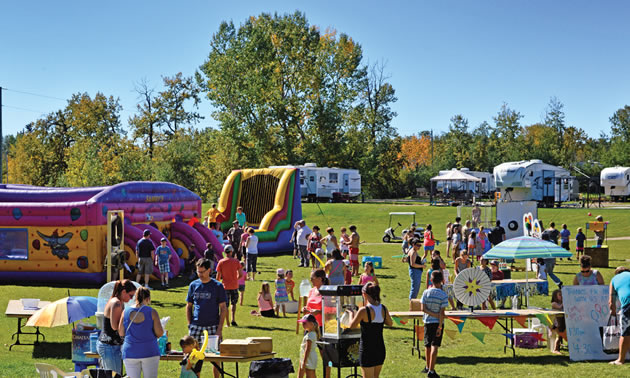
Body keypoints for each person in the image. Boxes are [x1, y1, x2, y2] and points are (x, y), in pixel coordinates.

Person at [186, 258, 227, 378]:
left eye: (202, 272)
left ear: (209, 270)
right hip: (196, 326)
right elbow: (189, 306)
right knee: (194, 357)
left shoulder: (217, 286)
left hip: (213, 326)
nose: (200, 274)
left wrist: (219, 329)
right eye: (198, 272)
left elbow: (223, 308)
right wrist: (190, 324)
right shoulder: (193, 285)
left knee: (216, 357)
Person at [349, 282, 393, 378]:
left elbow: (351, 326)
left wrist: (351, 313)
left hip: (367, 350)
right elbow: (390, 323)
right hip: (380, 348)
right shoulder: (383, 309)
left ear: (364, 294)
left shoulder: (363, 310)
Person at [118, 287, 163, 378]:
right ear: (148, 299)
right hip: (149, 351)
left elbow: (121, 332)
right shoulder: (152, 312)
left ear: (135, 297)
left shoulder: (125, 311)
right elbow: (160, 333)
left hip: (130, 352)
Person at [97, 280, 136, 375]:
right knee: (114, 375)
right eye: (130, 295)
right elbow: (115, 327)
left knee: (113, 375)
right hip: (109, 346)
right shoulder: (117, 303)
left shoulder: (118, 301)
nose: (131, 299)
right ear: (123, 292)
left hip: (110, 345)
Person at [420, 271, 448, 378]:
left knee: (427, 346)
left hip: (427, 321)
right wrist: (440, 325)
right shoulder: (443, 295)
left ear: (431, 280)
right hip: (437, 323)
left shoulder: (425, 292)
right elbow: (442, 313)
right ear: (442, 281)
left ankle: (427, 367)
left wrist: (433, 314)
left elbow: (423, 309)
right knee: (434, 346)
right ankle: (431, 371)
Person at [216, 245, 242, 326]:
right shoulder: (236, 261)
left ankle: (227, 323)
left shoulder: (221, 262)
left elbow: (218, 277)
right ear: (231, 252)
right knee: (233, 303)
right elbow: (240, 274)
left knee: (225, 306)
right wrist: (235, 279)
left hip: (225, 286)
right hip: (234, 286)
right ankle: (233, 319)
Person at [610, 266, 630, 365]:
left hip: (628, 305)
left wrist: (613, 310)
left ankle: (620, 360)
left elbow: (611, 301)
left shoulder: (614, 279)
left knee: (625, 333)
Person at [297, 314, 319, 378]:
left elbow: (308, 349)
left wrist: (304, 361)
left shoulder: (311, 335)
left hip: (309, 358)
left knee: (310, 375)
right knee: (301, 374)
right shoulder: (309, 333)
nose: (303, 324)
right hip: (305, 357)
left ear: (311, 324)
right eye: (302, 323)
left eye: (304, 323)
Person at [550, 289, 565, 355]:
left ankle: (558, 347)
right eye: (559, 295)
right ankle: (555, 349)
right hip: (555, 322)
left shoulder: (560, 303)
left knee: (561, 335)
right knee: (559, 335)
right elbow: (559, 307)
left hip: (561, 321)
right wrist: (564, 302)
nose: (561, 296)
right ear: (555, 296)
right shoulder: (554, 304)